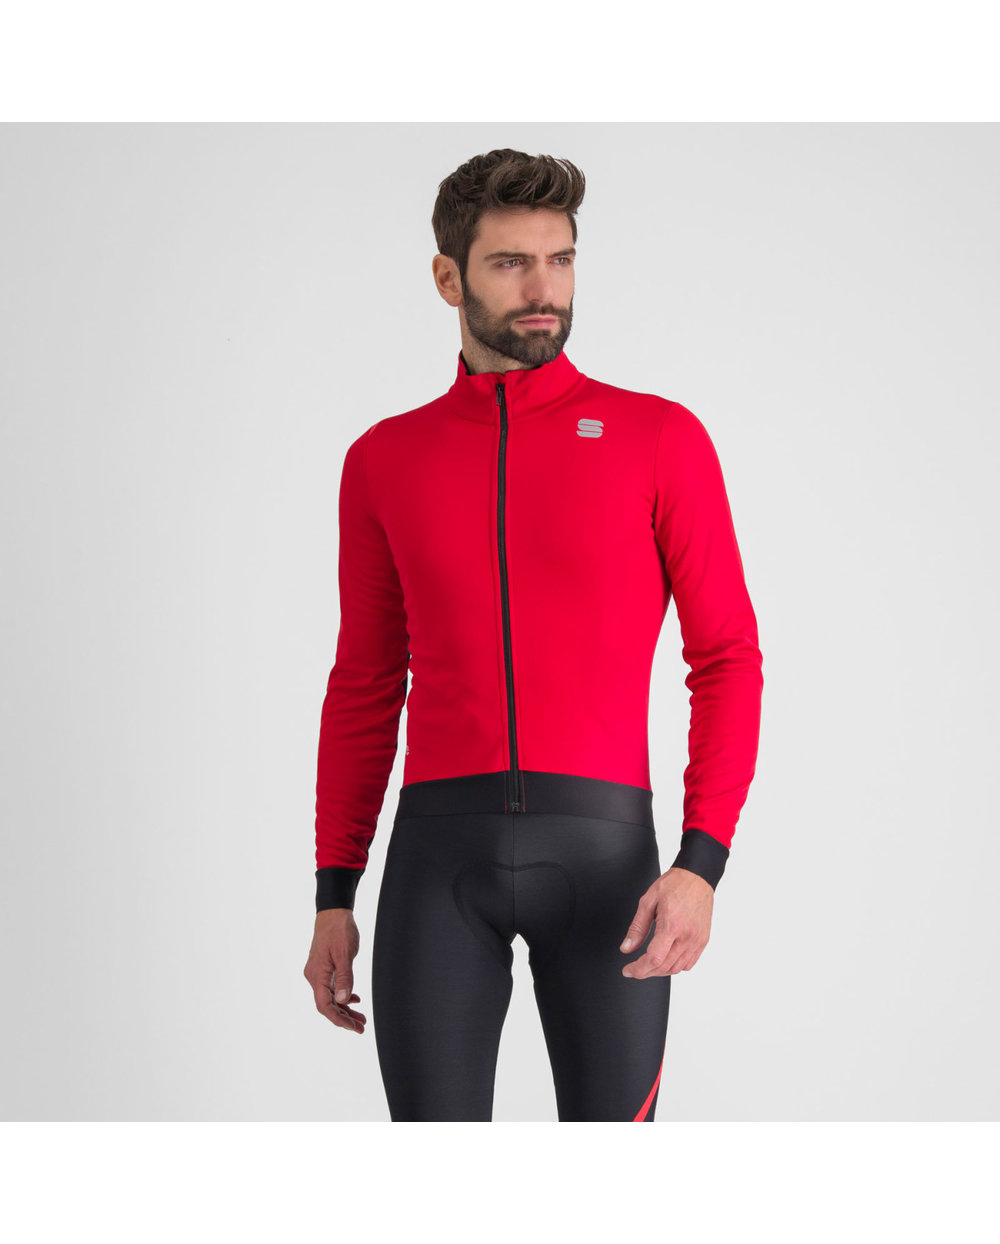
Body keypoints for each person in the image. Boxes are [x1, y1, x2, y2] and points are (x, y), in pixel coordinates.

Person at [303, 148, 763, 1121]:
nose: (544, 288)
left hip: (608, 866)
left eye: (560, 259)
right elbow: (365, 681)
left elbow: (726, 657)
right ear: (449, 277)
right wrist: (333, 891)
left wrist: (700, 862)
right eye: (511, 262)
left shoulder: (658, 437)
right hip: (437, 862)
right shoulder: (385, 459)